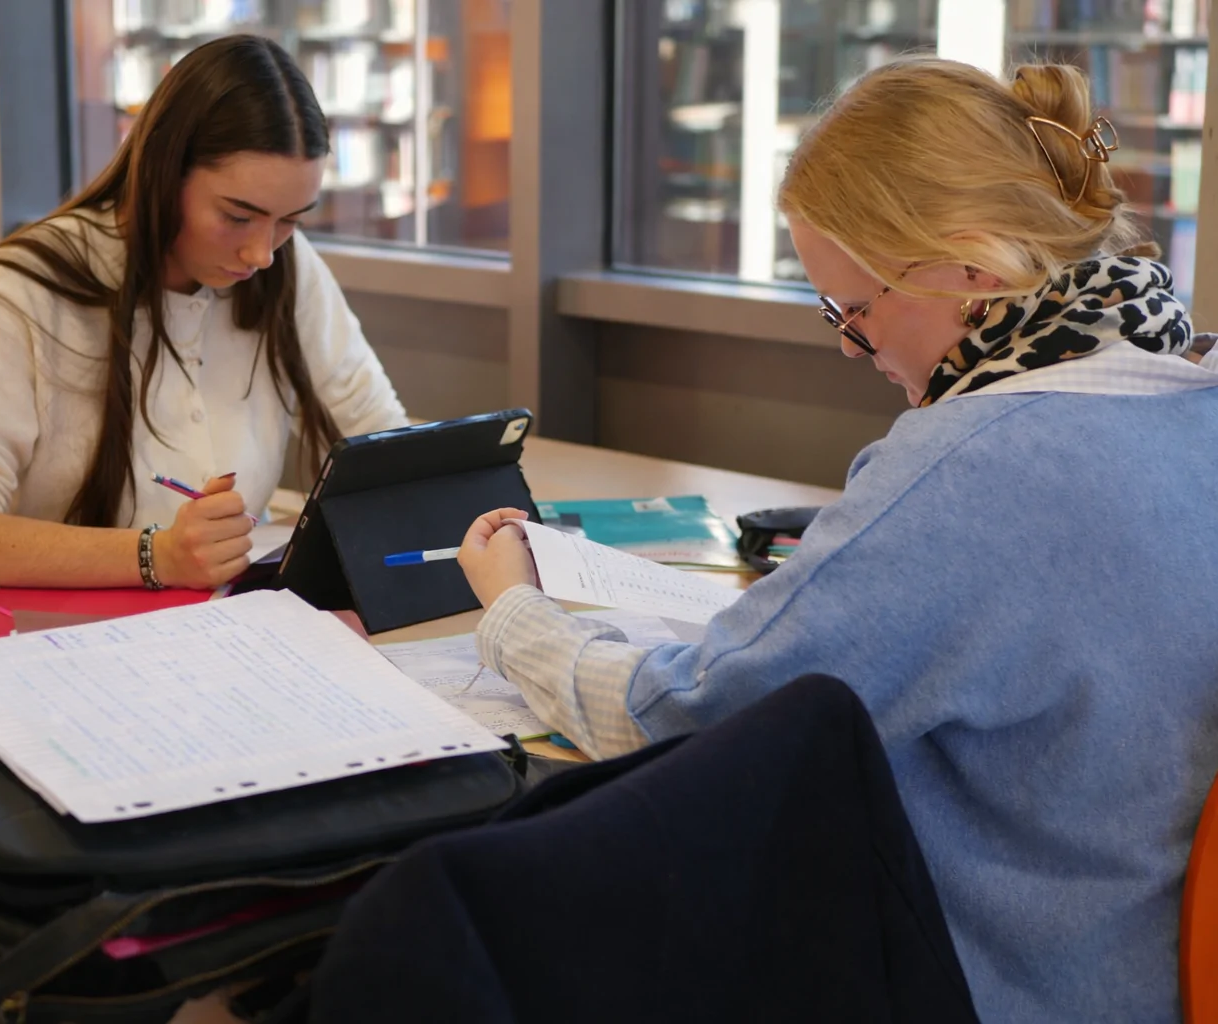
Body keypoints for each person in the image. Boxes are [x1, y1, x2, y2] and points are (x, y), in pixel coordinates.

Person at [457, 58, 1218, 1023]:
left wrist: (515, 613)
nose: (850, 348)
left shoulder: (974, 463)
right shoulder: (1190, 388)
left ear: (972, 266)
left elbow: (683, 725)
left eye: (856, 311)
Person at [0, 34, 407, 592]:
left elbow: (381, 443)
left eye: (290, 220)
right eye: (236, 216)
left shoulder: (284, 267)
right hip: (44, 648)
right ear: (161, 171)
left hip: (214, 639)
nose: (262, 253)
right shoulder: (18, 294)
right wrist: (156, 555)